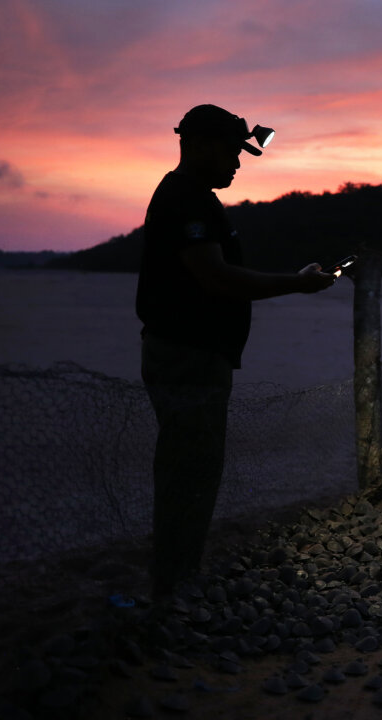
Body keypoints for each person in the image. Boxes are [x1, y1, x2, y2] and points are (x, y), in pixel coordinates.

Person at [136, 103, 339, 597]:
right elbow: (216, 277)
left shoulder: (194, 197)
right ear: (199, 145)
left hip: (198, 356)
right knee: (190, 471)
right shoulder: (186, 198)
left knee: (196, 468)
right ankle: (175, 587)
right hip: (188, 356)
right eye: (231, 151)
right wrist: (298, 284)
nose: (237, 163)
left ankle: (180, 577)